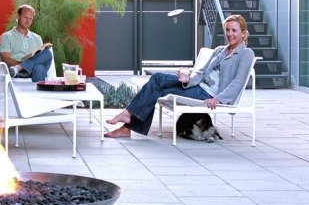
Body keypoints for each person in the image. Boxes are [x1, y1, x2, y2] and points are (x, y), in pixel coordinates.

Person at [105, 14, 255, 139]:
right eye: (227, 30)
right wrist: (188, 79)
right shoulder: (220, 50)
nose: (230, 34)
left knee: (157, 90)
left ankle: (127, 121)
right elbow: (201, 71)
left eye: (234, 30)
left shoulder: (245, 53)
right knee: (157, 78)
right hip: (196, 85)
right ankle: (127, 119)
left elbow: (238, 81)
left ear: (243, 33)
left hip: (207, 94)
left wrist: (218, 99)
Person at [0, 4, 53, 82]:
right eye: (25, 17)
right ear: (18, 16)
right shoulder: (6, 36)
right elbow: (5, 58)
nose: (28, 21)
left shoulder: (37, 38)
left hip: (33, 71)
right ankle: (19, 68)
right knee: (39, 67)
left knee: (47, 54)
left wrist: (24, 65)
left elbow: (39, 57)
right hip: (17, 73)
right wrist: (24, 64)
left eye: (30, 19)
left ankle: (19, 67)